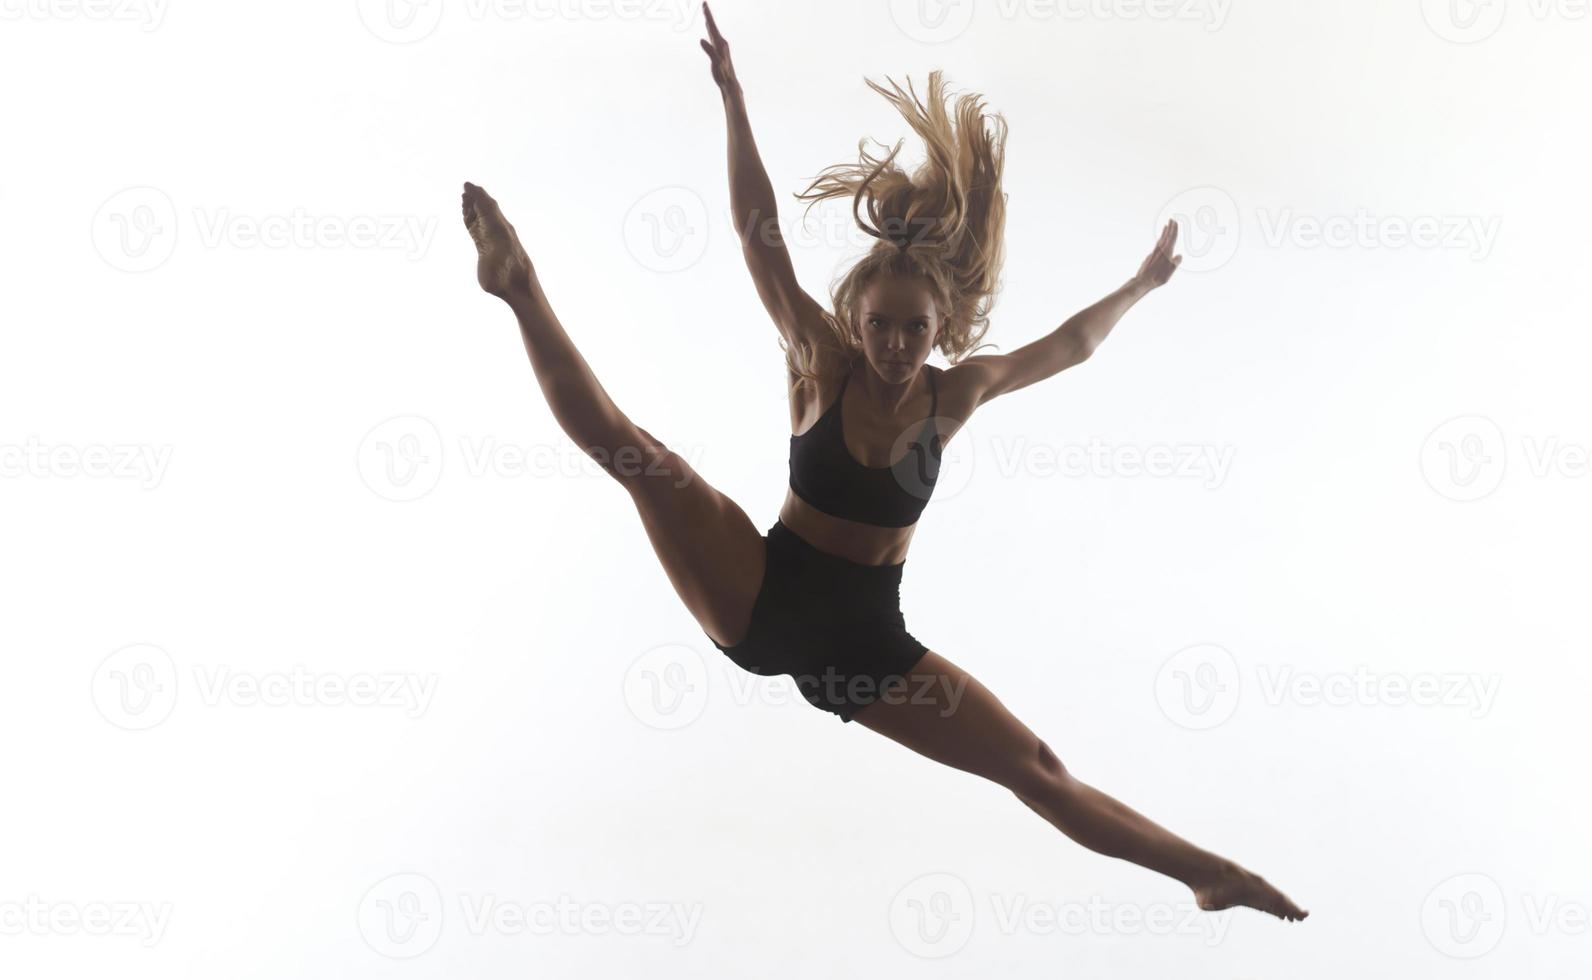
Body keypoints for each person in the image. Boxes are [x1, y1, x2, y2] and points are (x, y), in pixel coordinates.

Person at [457, 1, 1307, 922]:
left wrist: (1141, 284)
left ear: (942, 328)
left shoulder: (960, 392)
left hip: (865, 645)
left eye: (914, 329)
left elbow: (1071, 346)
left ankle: (1205, 873)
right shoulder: (820, 362)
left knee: (1036, 771)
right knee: (641, 458)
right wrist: (735, 100)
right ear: (853, 321)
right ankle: (518, 286)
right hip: (763, 592)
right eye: (880, 326)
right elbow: (757, 234)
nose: (896, 345)